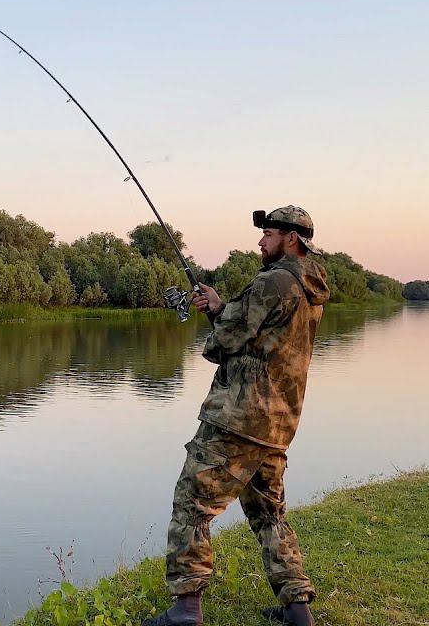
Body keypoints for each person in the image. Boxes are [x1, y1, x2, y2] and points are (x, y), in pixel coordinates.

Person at [143, 206, 330, 626]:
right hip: (278, 421)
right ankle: (297, 607)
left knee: (191, 505)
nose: (261, 241)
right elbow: (261, 334)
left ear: (292, 239)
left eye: (269, 234)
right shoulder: (308, 284)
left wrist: (215, 320)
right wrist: (221, 305)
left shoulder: (275, 280)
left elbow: (222, 343)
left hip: (238, 418)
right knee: (269, 513)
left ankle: (186, 608)